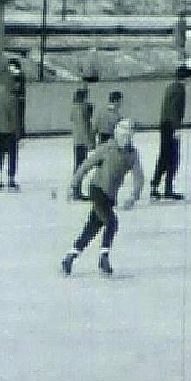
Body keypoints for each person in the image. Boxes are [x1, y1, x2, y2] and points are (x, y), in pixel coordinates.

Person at [63, 119, 146, 277]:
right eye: (124, 137)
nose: (126, 141)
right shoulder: (107, 148)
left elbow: (139, 177)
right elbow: (86, 165)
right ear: (118, 135)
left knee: (91, 228)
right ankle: (104, 257)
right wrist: (74, 184)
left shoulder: (132, 154)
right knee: (111, 222)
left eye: (129, 138)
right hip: (97, 190)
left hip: (109, 196)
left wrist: (133, 196)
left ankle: (69, 257)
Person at [151, 65, 189, 201]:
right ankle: (168, 188)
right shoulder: (179, 89)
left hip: (165, 124)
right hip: (171, 126)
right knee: (172, 158)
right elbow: (175, 109)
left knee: (164, 156)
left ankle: (155, 187)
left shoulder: (171, 86)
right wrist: (176, 128)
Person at [0, 59, 26, 190]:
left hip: (0, 130)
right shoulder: (13, 99)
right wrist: (19, 133)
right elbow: (15, 118)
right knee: (12, 156)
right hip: (10, 131)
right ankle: (11, 179)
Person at [67, 83, 93, 197]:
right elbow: (84, 126)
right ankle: (76, 189)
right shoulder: (80, 109)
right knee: (81, 166)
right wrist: (89, 141)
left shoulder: (76, 109)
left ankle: (76, 189)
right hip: (82, 140)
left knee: (79, 165)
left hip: (77, 140)